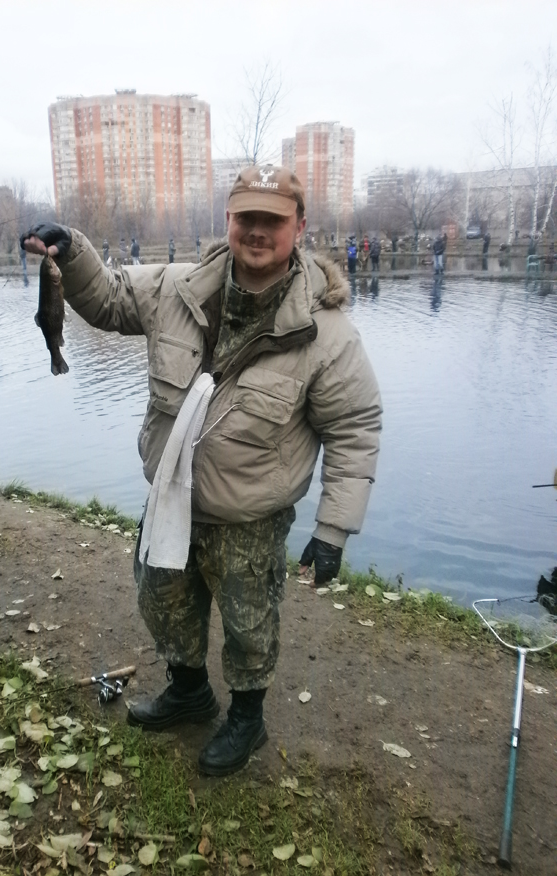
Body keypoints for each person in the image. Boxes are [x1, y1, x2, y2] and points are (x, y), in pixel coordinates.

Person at [20, 164, 382, 777]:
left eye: (273, 219)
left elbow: (354, 428)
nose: (258, 231)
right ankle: (189, 691)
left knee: (249, 623)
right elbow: (108, 298)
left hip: (250, 515)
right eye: (248, 217)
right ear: (229, 220)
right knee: (162, 598)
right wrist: (71, 252)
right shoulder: (176, 286)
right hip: (170, 497)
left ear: (299, 227)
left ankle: (247, 716)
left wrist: (332, 530)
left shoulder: (328, 334)